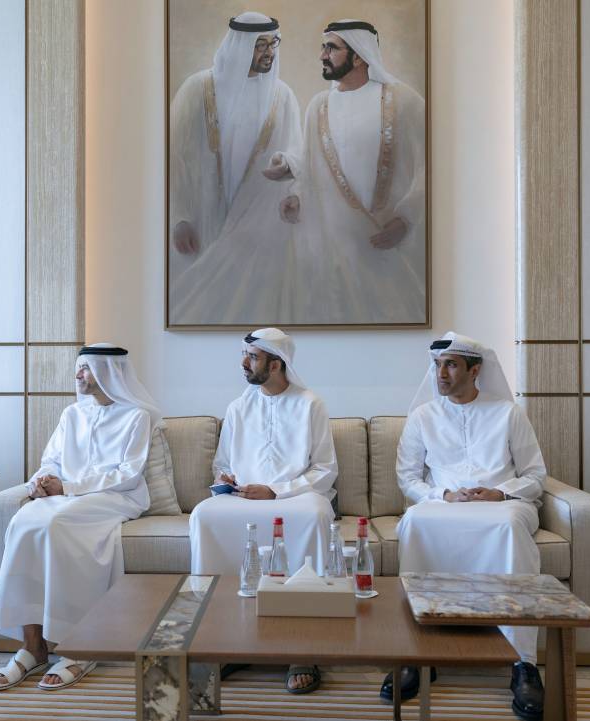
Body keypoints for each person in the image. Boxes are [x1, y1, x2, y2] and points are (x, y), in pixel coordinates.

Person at [385, 332, 546, 721]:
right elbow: (408, 478)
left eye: (451, 365)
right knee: (415, 521)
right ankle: (415, 655)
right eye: (437, 365)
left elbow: (535, 476)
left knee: (509, 526)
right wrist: (442, 494)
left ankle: (523, 662)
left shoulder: (508, 413)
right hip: (445, 503)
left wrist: (500, 492)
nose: (440, 373)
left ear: (475, 371)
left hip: (503, 505)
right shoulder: (423, 416)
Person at [0, 345, 161, 691]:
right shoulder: (72, 414)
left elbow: (127, 474)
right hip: (68, 497)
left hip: (115, 496)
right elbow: (51, 460)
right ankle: (33, 646)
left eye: (85, 368)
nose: (77, 375)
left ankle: (79, 647)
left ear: (108, 371)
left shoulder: (136, 416)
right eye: (78, 368)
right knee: (24, 520)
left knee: (57, 524)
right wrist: (41, 482)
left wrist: (68, 487)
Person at [189, 327, 337, 693]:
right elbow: (222, 462)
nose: (244, 363)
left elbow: (324, 469)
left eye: (252, 357)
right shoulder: (238, 407)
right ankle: (224, 640)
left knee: (315, 516)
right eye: (244, 355)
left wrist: (276, 491)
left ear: (276, 364)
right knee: (204, 515)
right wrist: (225, 477)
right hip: (244, 497)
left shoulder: (310, 404)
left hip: (297, 497)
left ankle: (303, 648)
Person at [265, 19, 426, 325]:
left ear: (359, 56)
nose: (322, 55)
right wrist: (297, 196)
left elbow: (429, 168)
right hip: (333, 247)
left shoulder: (404, 101)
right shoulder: (319, 105)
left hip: (387, 241)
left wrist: (406, 219)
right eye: (323, 47)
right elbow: (311, 165)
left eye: (331, 48)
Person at [169, 12, 303, 324]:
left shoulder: (282, 96)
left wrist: (287, 164)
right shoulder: (198, 89)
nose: (269, 52)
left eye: (273, 44)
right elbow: (171, 157)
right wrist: (178, 217)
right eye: (260, 45)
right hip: (200, 218)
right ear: (240, 45)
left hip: (255, 227)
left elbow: (298, 151)